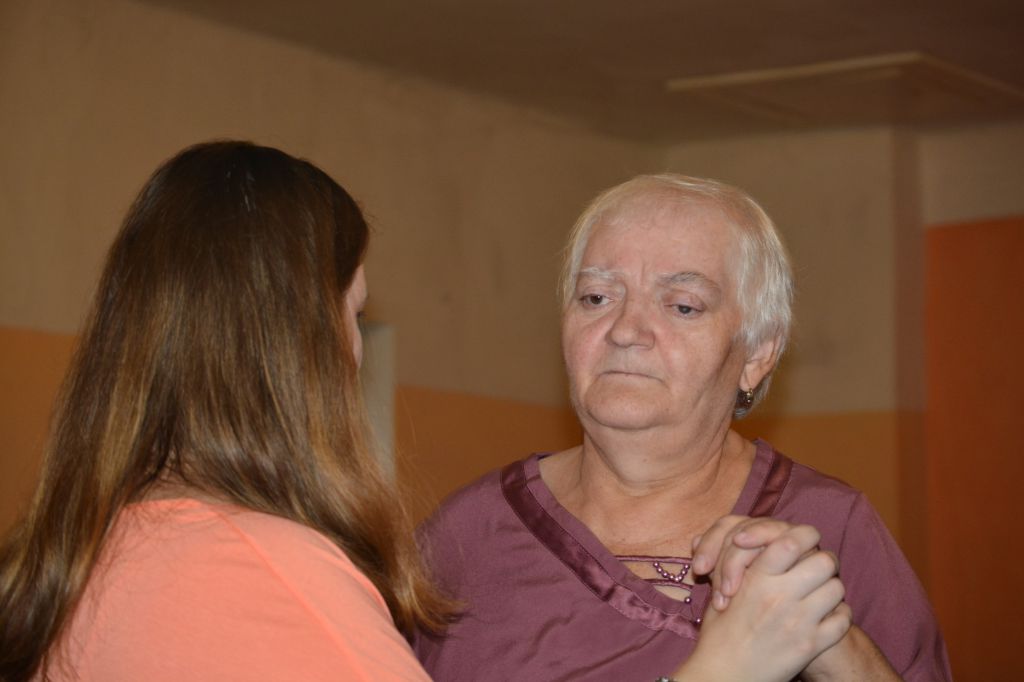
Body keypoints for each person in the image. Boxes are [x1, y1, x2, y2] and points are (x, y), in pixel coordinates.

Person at [413, 174, 952, 681]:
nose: (625, 330)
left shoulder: (827, 529)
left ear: (757, 354)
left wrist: (838, 646)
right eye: (596, 297)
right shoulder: (470, 533)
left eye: (683, 306)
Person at [0, 141, 448, 681]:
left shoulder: (62, 570)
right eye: (353, 313)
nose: (355, 354)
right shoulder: (276, 580)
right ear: (299, 346)